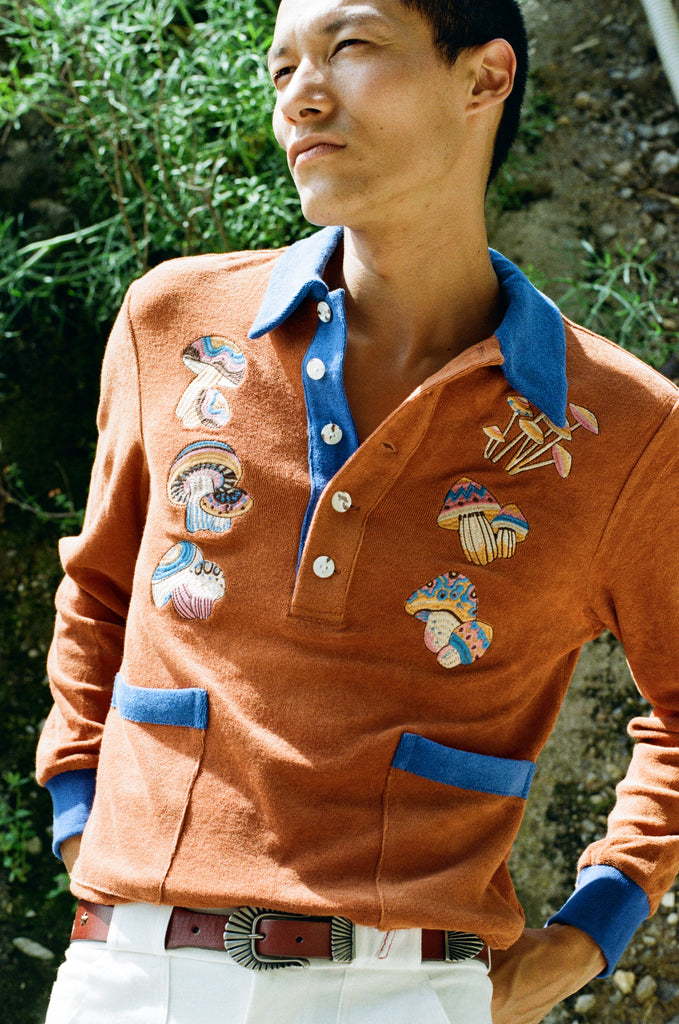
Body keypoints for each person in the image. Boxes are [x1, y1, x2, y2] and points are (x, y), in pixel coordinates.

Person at [37, 0, 679, 1021]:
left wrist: (586, 933)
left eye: (348, 47)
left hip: (407, 987)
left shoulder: (623, 431)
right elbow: (101, 591)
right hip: (134, 973)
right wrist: (78, 807)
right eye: (280, 66)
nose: (300, 95)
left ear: (483, 78)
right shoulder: (173, 322)